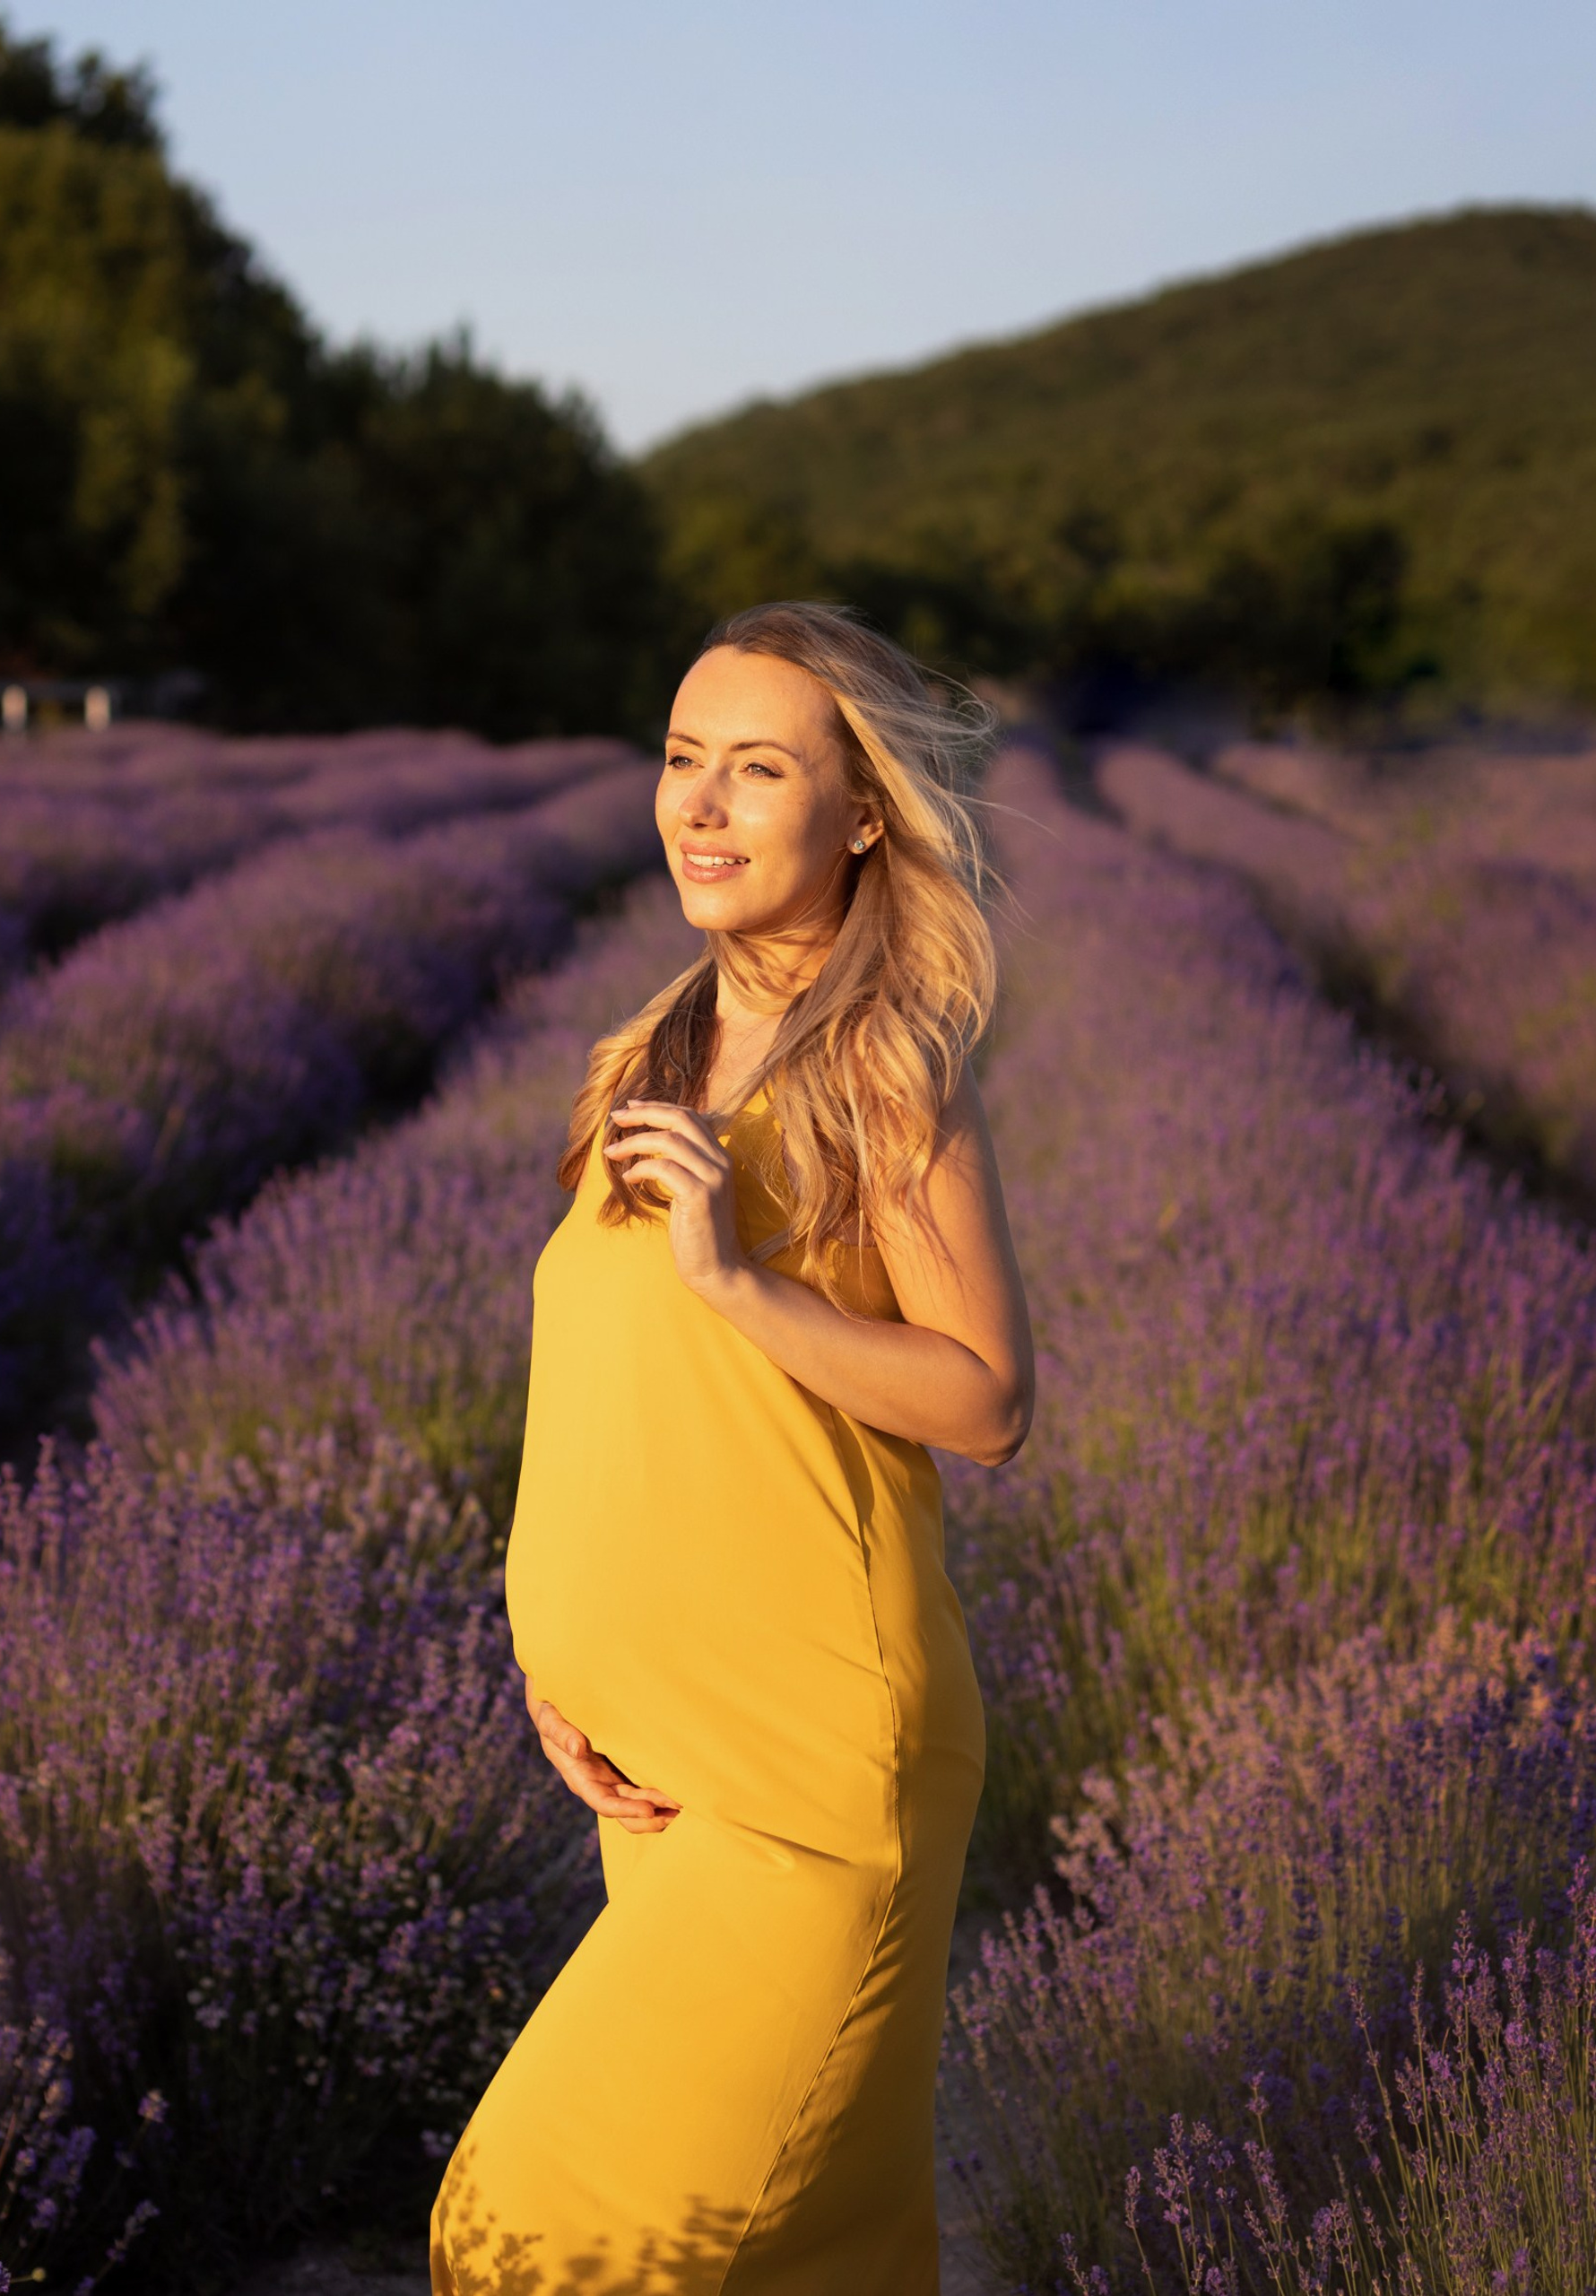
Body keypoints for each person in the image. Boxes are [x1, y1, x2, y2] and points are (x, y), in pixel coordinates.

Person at [429, 601, 1034, 2295]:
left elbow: (989, 1399)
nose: (698, 804)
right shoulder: (648, 1050)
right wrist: (567, 1669)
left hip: (819, 1767)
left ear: (859, 814)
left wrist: (742, 1281)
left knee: (543, 2243)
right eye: (684, 758)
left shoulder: (884, 1068)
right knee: (799, 2257)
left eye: (757, 768)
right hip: (661, 1773)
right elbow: (614, 1393)